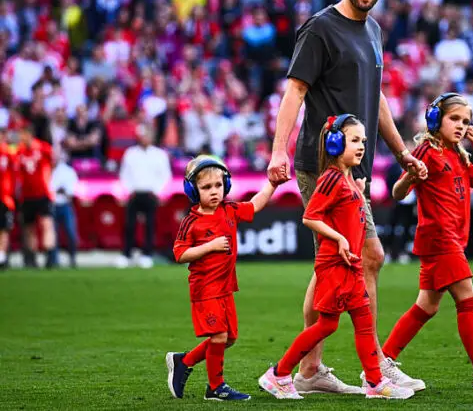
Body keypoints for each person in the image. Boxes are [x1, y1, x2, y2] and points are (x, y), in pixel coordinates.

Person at [266, 0, 426, 393]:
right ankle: (373, 364)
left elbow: (376, 100)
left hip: (357, 171)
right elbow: (294, 92)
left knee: (331, 266)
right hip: (322, 168)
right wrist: (278, 151)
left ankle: (310, 371)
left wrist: (400, 153)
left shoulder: (373, 30)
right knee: (368, 257)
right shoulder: (320, 29)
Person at [259, 115, 414, 400]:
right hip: (335, 264)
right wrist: (340, 238)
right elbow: (310, 217)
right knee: (327, 324)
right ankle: (278, 374)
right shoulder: (330, 179)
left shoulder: (347, 180)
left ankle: (375, 383)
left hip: (352, 264)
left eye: (363, 141)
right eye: (354, 140)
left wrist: (359, 192)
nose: (361, 146)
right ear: (334, 144)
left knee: (364, 323)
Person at [382, 93, 473, 391]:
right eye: (454, 119)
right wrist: (410, 177)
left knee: (427, 306)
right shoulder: (426, 151)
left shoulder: (458, 153)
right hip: (440, 238)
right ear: (436, 120)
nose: (461, 126)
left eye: (466, 121)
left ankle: (382, 362)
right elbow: (398, 193)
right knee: (468, 298)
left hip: (450, 240)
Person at [165, 155, 279, 401]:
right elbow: (180, 253)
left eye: (218, 185)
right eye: (206, 187)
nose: (214, 192)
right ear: (193, 190)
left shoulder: (229, 209)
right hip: (205, 288)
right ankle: (216, 388)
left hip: (226, 287)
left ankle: (184, 361)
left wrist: (273, 184)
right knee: (218, 336)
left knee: (229, 338)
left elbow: (255, 204)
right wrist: (210, 245)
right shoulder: (191, 222)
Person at [116, 124, 172, 269]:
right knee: (129, 225)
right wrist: (128, 190)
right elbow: (124, 174)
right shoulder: (130, 153)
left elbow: (165, 175)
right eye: (142, 135)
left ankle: (147, 255)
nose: (145, 138)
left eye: (147, 135)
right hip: (134, 194)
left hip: (150, 194)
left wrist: (157, 191)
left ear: (152, 137)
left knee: (150, 226)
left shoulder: (159, 154)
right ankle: (126, 255)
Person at [17, 124, 57, 268]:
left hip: (42, 193)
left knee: (47, 224)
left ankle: (49, 256)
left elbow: (54, 162)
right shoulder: (19, 151)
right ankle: (32, 258)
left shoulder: (43, 148)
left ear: (29, 134)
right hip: (27, 195)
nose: (20, 138)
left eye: (22, 134)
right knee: (29, 227)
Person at [50, 150, 79, 268]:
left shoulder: (67, 171)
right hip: (51, 205)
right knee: (52, 234)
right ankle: (53, 260)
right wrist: (58, 190)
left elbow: (70, 192)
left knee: (71, 232)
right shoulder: (46, 169)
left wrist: (58, 190)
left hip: (65, 205)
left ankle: (72, 258)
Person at [0, 129, 17, 270]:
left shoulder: (10, 153)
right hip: (5, 198)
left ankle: (2, 258)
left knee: (4, 229)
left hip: (5, 199)